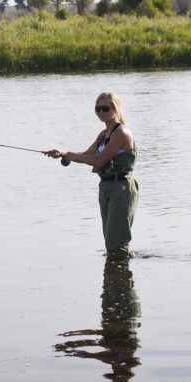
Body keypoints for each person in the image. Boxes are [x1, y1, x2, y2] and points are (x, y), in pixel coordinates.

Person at [46, 92, 139, 259]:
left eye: (106, 108)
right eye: (98, 109)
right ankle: (118, 268)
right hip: (106, 187)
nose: (101, 112)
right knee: (110, 242)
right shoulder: (103, 135)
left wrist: (72, 156)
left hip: (122, 188)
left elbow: (100, 160)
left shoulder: (122, 133)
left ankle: (122, 273)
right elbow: (88, 155)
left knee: (116, 243)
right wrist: (63, 153)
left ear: (116, 108)